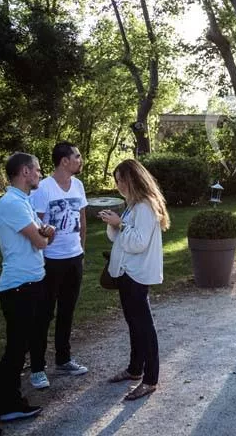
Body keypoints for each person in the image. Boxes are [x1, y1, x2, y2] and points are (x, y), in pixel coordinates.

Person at [0, 153, 56, 436]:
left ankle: (12, 403)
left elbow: (44, 236)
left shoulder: (24, 200)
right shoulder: (11, 203)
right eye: (37, 170)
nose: (40, 174)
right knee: (14, 352)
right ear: (25, 171)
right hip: (18, 288)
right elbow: (41, 241)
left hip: (32, 283)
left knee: (20, 347)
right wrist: (46, 234)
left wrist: (46, 232)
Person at [97, 159, 168, 401]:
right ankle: (135, 368)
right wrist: (114, 223)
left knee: (144, 325)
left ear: (134, 179)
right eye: (117, 180)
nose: (119, 185)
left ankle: (150, 379)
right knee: (133, 322)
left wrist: (120, 224)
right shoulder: (133, 205)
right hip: (126, 272)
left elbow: (138, 243)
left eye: (123, 180)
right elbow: (118, 237)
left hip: (137, 273)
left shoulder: (145, 206)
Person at [29, 142, 89, 389]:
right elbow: (36, 226)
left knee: (67, 311)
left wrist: (81, 250)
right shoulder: (43, 189)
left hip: (74, 258)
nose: (80, 160)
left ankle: (63, 359)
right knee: (43, 314)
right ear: (64, 161)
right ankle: (37, 368)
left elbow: (82, 221)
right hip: (50, 261)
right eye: (77, 156)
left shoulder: (78, 185)